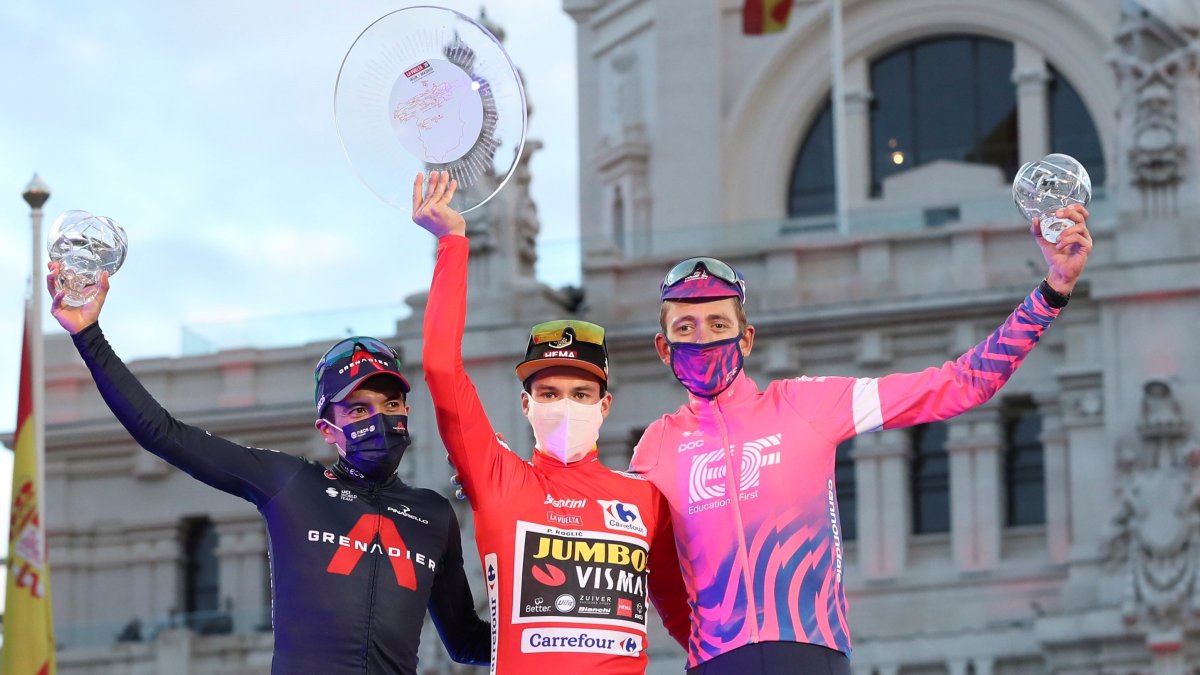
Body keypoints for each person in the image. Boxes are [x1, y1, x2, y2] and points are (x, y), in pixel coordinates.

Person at [630, 206, 1094, 674]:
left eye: (719, 324)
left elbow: (962, 383)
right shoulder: (656, 447)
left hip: (812, 655)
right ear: (664, 348)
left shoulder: (806, 404)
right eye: (686, 328)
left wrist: (1053, 291)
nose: (704, 338)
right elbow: (652, 574)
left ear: (746, 339)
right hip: (716, 664)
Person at [47, 263, 491, 674]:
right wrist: (88, 335)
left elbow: (466, 642)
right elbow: (164, 434)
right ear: (327, 428)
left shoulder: (434, 515)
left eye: (390, 404)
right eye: (357, 410)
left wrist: (554, 619)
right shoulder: (292, 483)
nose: (378, 418)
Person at [413, 170, 690, 673]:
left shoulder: (647, 499)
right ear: (526, 405)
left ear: (605, 407)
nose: (564, 405)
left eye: (581, 393)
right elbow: (439, 368)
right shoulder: (497, 480)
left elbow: (686, 619)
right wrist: (452, 243)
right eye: (549, 392)